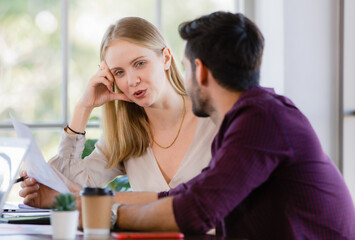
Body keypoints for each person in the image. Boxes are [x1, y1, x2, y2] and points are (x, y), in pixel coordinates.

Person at [94, 11, 355, 239]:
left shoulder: (262, 120)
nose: (183, 81)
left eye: (184, 69)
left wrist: (112, 217)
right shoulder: (247, 119)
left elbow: (197, 211)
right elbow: (184, 194)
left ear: (201, 71)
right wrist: (97, 205)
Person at [19, 17, 218, 208]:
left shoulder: (214, 120)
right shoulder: (127, 133)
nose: (132, 81)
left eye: (140, 63)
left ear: (165, 58)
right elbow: (65, 186)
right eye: (119, 72)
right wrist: (83, 108)